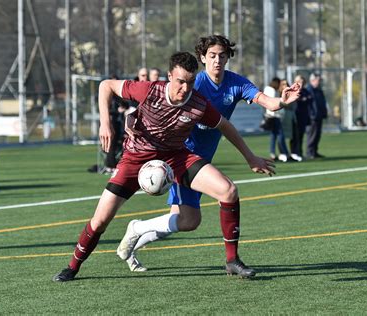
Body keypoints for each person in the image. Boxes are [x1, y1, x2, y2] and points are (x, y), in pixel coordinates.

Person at [52, 51, 281, 282]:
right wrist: (105, 123)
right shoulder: (149, 90)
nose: (185, 89)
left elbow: (225, 126)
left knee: (228, 190)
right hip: (135, 158)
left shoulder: (198, 104)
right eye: (180, 81)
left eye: (190, 83)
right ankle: (72, 267)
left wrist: (250, 157)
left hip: (175, 156)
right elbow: (106, 86)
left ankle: (232, 261)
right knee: (100, 220)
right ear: (170, 76)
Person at [120, 35, 301, 275]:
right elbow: (161, 98)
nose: (217, 61)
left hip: (203, 160)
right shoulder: (195, 82)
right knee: (198, 212)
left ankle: (135, 234)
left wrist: (282, 101)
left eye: (222, 56)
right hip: (181, 157)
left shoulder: (237, 84)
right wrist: (133, 118)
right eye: (212, 56)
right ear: (203, 58)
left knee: (185, 220)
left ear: (228, 58)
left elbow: (266, 101)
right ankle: (231, 260)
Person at [263, 77, 289, 162]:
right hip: (274, 116)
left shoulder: (266, 89)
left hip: (269, 115)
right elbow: (274, 104)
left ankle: (273, 154)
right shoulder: (273, 91)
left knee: (273, 135)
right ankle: (284, 153)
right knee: (280, 135)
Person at [305, 73, 328, 159]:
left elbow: (322, 103)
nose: (319, 82)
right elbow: (309, 105)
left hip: (319, 116)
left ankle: (314, 151)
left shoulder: (319, 90)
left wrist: (324, 113)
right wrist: (311, 114)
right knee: (311, 135)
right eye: (318, 80)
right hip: (312, 117)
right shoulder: (308, 90)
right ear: (312, 80)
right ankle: (309, 152)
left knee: (317, 135)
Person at [290, 75, 310, 160]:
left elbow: (309, 99)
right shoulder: (293, 91)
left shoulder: (305, 91)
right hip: (295, 116)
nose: (300, 84)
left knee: (301, 135)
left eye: (302, 82)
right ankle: (294, 153)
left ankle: (299, 152)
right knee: (294, 136)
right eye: (298, 82)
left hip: (303, 116)